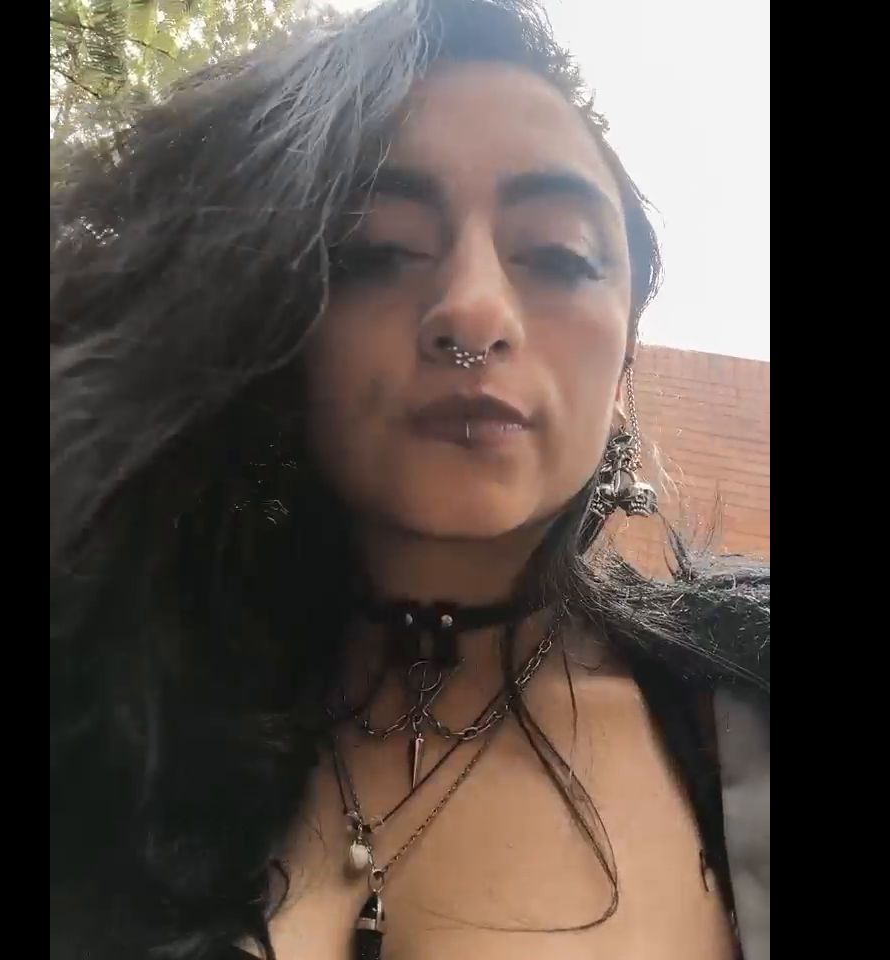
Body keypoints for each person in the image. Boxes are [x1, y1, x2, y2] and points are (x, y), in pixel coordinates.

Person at [49, 1, 770, 958]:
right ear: (283, 325)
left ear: (624, 367)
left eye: (558, 255)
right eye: (376, 252)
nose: (472, 311)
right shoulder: (108, 698)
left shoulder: (742, 726)